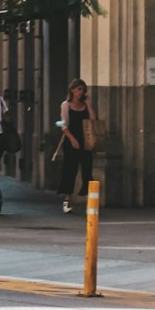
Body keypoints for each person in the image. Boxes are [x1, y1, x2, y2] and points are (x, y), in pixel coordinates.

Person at [58, 78, 96, 214]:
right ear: (72, 90)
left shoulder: (85, 105)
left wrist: (89, 104)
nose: (80, 92)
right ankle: (67, 199)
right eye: (78, 89)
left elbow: (93, 120)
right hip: (71, 140)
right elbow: (63, 125)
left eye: (82, 89)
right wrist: (72, 139)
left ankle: (89, 200)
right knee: (70, 169)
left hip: (86, 140)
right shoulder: (66, 105)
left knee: (87, 169)